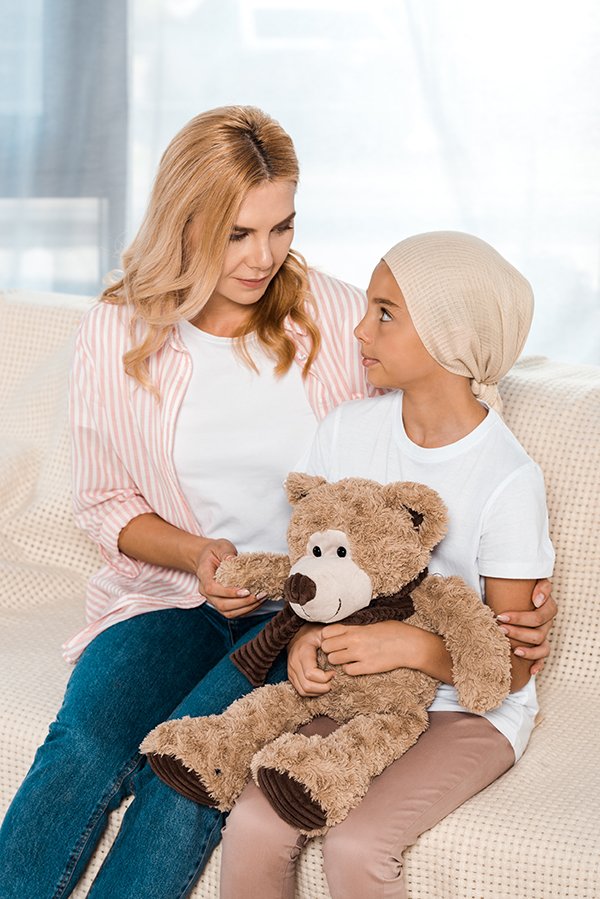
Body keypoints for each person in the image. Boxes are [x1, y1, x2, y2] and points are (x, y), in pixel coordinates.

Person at [0, 107, 554, 899]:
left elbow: (440, 385)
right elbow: (103, 501)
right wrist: (197, 554)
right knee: (83, 744)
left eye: (281, 227)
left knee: (186, 775)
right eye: (237, 234)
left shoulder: (333, 316)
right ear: (185, 222)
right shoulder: (118, 328)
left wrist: (498, 615)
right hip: (170, 596)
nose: (264, 256)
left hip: (298, 618)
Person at [217, 231, 555, 899]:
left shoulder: (508, 478)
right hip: (359, 690)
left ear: (448, 337)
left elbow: (511, 668)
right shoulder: (346, 432)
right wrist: (309, 644)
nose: (359, 327)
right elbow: (318, 588)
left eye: (384, 313)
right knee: (254, 820)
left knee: (357, 843)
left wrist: (407, 644)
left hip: (470, 710)